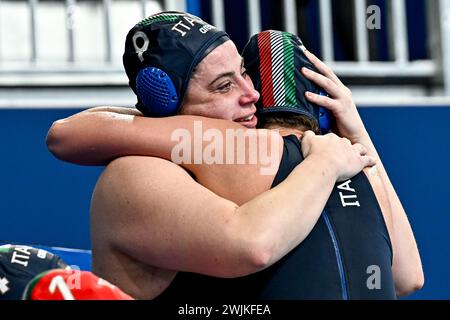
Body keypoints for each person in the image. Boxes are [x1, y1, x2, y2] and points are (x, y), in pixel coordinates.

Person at [46, 13, 423, 299]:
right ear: (165, 105)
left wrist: (354, 132)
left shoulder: (265, 153)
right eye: (224, 86)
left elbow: (406, 276)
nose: (252, 96)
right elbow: (65, 135)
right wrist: (327, 160)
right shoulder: (148, 169)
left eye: (246, 75)